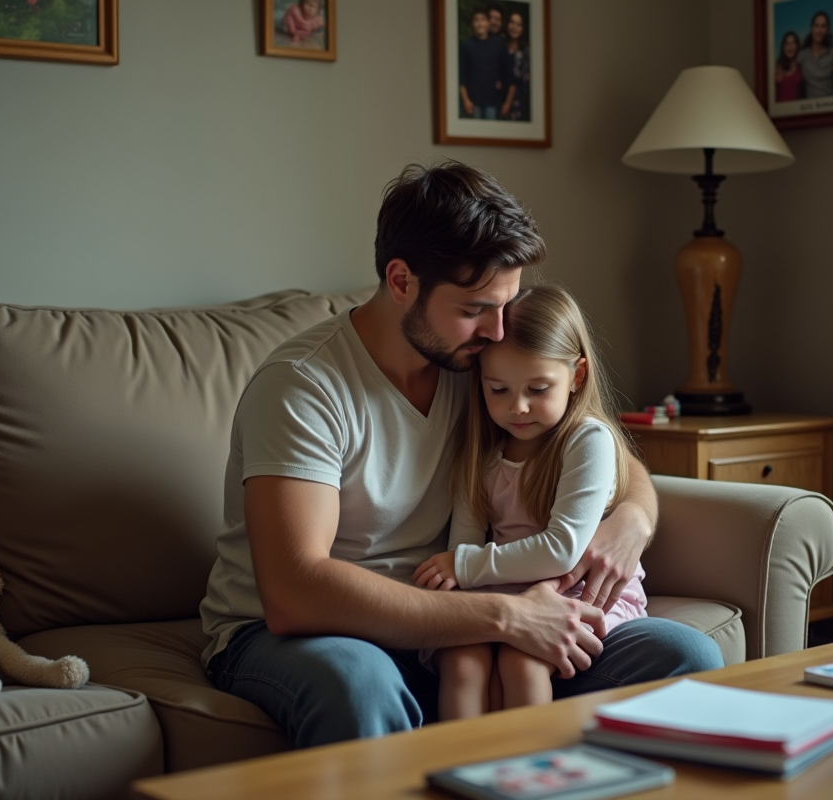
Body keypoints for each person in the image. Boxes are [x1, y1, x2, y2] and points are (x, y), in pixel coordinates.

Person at [199, 161, 723, 750]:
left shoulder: (480, 368)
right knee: (361, 684)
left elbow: (611, 457)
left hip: (454, 620)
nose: (499, 332)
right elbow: (298, 593)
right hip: (304, 634)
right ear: (401, 282)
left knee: (684, 653)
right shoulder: (303, 387)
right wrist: (508, 617)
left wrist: (633, 520)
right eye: (476, 308)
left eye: (508, 304)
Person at [412, 285, 651, 719]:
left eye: (538, 388)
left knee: (522, 661)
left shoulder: (587, 440)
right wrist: (456, 583)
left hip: (579, 591)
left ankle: (532, 774)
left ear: (576, 376)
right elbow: (464, 540)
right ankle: (459, 769)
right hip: (508, 589)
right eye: (498, 389)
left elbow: (563, 549)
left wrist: (464, 566)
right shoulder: (482, 452)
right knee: (462, 660)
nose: (517, 407)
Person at [459, 8, 507, 119]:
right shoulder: (466, 45)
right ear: (472, 23)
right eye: (476, 20)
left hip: (492, 101)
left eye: (483, 20)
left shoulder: (498, 44)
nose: (480, 23)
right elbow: (461, 75)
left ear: (488, 23)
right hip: (473, 102)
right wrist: (465, 100)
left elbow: (505, 71)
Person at [796, 10, 833, 98]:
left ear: (827, 30)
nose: (819, 30)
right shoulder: (802, 55)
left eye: (823, 26)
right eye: (816, 26)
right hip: (809, 107)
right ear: (812, 28)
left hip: (831, 104)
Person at [500, 10, 531, 121]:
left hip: (518, 102)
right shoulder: (500, 45)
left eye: (518, 25)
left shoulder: (525, 52)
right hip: (498, 97)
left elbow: (521, 80)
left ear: (522, 29)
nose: (514, 27)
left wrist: (508, 103)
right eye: (512, 22)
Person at [775, 30, 803, 102]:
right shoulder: (777, 66)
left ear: (797, 46)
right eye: (787, 44)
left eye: (793, 43)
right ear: (783, 47)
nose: (790, 47)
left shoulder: (801, 66)